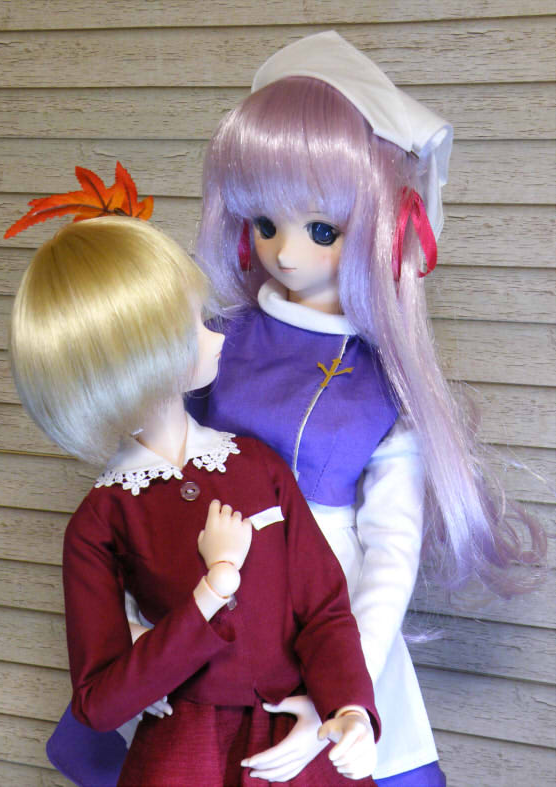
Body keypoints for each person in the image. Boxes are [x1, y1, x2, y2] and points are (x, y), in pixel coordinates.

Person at [187, 31, 545, 786]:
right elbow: (154, 473)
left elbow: (390, 548)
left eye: (321, 229)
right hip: (206, 586)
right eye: (265, 223)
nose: (287, 253)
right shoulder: (218, 339)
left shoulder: (383, 383)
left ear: (389, 228)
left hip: (327, 609)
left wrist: (343, 681)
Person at [9, 211, 383, 786]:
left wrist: (350, 707)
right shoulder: (103, 519)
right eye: (195, 326)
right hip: (187, 756)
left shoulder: (256, 465)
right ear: (140, 357)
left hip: (293, 742)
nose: (219, 336)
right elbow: (99, 701)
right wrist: (211, 593)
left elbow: (324, 609)